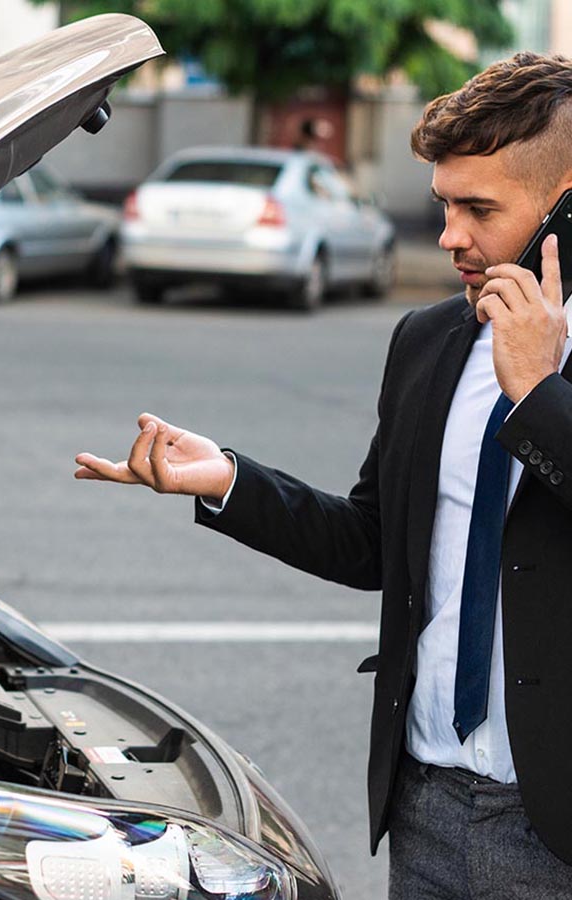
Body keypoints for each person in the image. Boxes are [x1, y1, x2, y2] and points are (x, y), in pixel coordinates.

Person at [74, 51, 572, 899]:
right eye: (443, 204)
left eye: (478, 209)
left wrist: (538, 395)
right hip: (425, 801)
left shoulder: (536, 373)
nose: (449, 235)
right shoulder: (427, 340)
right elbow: (373, 543)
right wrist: (227, 479)